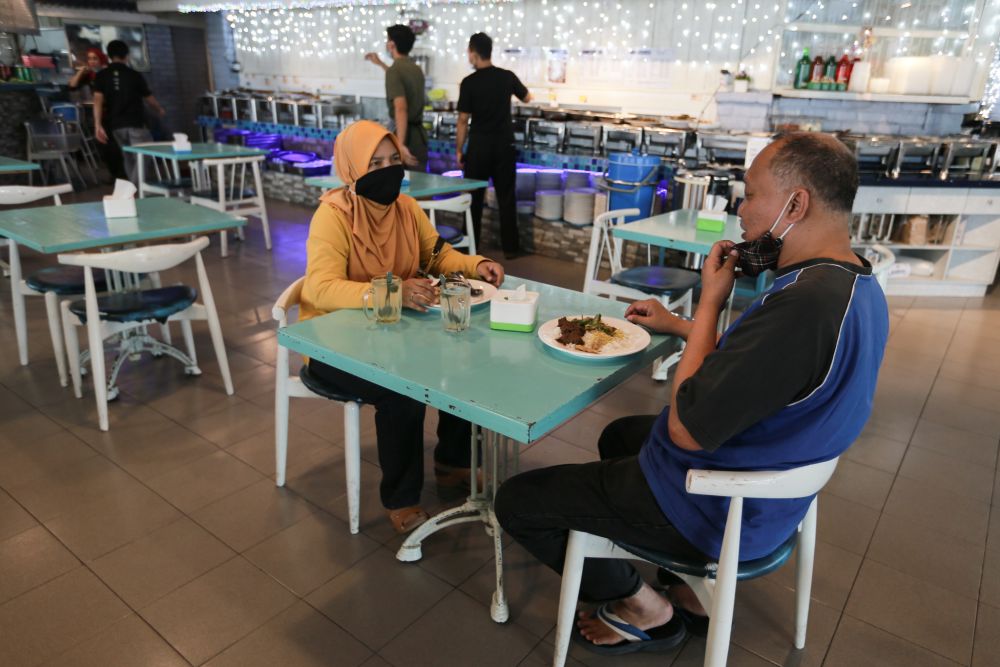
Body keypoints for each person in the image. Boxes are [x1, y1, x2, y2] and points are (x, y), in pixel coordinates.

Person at [495, 133, 889, 656]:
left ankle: (644, 608)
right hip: (775, 486)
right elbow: (770, 368)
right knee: (619, 433)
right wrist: (683, 326)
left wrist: (709, 302)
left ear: (796, 204)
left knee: (518, 501)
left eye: (750, 195)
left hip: (717, 505)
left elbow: (686, 425)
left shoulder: (803, 305)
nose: (740, 210)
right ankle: (690, 592)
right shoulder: (852, 281)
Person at [301, 120, 505, 534]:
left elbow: (436, 255)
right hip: (331, 343)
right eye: (374, 162)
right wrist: (391, 292)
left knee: (462, 356)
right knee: (401, 392)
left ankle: (453, 463)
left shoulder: (405, 209)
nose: (388, 169)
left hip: (388, 334)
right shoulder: (333, 215)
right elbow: (319, 288)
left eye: (394, 159)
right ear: (352, 168)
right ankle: (401, 498)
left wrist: (475, 265)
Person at [456, 33, 532, 259]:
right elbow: (528, 97)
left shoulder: (469, 83)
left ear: (473, 53)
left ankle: (470, 247)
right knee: (506, 197)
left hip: (479, 147)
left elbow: (462, 120)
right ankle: (511, 248)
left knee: (473, 199)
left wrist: (459, 149)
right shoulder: (507, 77)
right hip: (504, 145)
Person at [92, 39, 166, 184]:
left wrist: (97, 125)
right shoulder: (134, 75)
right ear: (127, 55)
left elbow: (97, 101)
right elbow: (148, 98)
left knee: (128, 156)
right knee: (143, 155)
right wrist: (159, 109)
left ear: (109, 56)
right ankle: (134, 188)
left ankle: (133, 187)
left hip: (116, 126)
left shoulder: (101, 75)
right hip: (135, 123)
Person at [364, 25, 427, 170]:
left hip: (405, 138)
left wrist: (400, 145)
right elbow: (400, 79)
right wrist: (381, 64)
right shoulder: (416, 69)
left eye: (388, 40)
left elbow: (401, 108)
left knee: (401, 189)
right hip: (420, 139)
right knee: (419, 188)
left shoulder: (395, 71)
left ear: (392, 44)